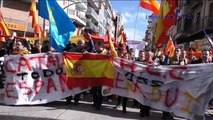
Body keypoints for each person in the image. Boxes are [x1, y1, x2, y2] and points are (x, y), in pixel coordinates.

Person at [65, 39, 88, 105]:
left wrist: (86, 54)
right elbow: (67, 56)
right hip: (72, 70)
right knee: (70, 85)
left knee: (78, 86)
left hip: (80, 71)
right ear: (78, 44)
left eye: (84, 43)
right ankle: (68, 99)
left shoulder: (84, 51)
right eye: (82, 43)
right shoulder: (72, 50)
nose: (83, 45)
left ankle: (76, 100)